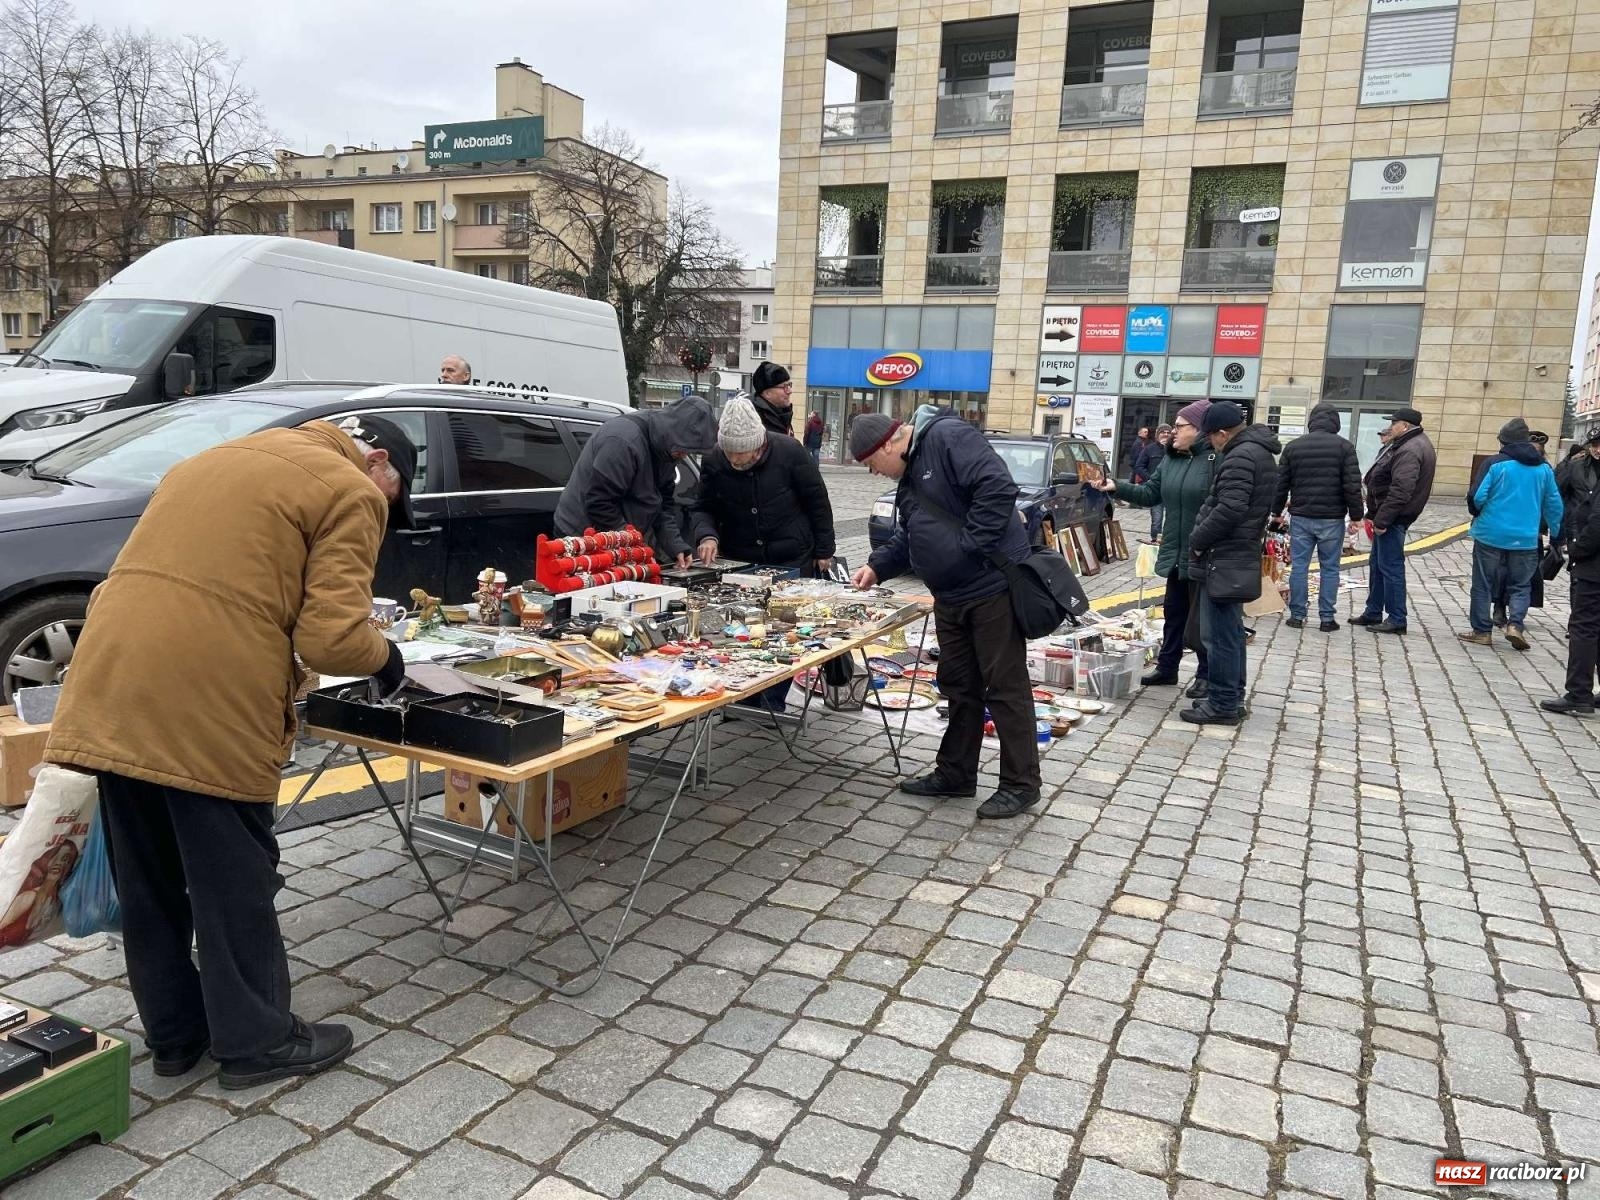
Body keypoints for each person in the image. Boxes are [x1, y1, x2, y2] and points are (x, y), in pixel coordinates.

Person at [44, 415, 417, 1089]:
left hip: (110, 679)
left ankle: (175, 1037)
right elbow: (332, 639)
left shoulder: (213, 459)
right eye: (396, 496)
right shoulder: (350, 488)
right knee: (232, 880)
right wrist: (387, 659)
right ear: (380, 462)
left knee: (149, 877)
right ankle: (256, 1041)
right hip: (207, 696)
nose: (387, 510)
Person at [850, 406, 1041, 819]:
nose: (874, 473)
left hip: (991, 587)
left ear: (888, 445)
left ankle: (1021, 784)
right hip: (951, 596)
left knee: (1004, 687)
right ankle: (956, 773)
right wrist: (878, 565)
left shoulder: (947, 437)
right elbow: (913, 531)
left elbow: (998, 489)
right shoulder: (909, 475)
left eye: (871, 464)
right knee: (958, 685)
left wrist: (968, 548)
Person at [691, 397, 836, 711]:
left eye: (742, 457)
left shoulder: (790, 452)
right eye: (730, 455)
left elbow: (818, 503)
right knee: (741, 628)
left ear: (758, 445)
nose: (735, 462)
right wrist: (707, 535)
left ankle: (772, 702)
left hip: (791, 555)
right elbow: (703, 507)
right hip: (741, 558)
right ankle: (744, 695)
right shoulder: (715, 460)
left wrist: (824, 550)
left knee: (783, 630)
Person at [1094, 401, 1216, 698]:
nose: (1173, 431)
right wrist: (1116, 486)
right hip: (1175, 551)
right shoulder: (1171, 459)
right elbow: (1149, 494)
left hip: (1203, 553)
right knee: (1174, 613)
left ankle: (1206, 674)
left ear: (1199, 430)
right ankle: (1168, 666)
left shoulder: (1216, 460)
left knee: (1201, 620)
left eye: (1180, 426)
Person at [1183, 402, 1281, 726]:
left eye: (1211, 437)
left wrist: (1198, 539)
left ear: (1222, 433)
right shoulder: (1259, 452)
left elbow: (1230, 508)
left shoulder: (1240, 455)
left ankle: (1223, 702)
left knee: (1220, 634)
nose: (1211, 444)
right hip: (1238, 551)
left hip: (1225, 553)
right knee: (1232, 631)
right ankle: (1232, 698)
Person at [554, 394, 717, 570]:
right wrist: (632, 543)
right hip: (581, 535)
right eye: (683, 449)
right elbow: (599, 504)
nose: (684, 455)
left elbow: (663, 506)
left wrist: (675, 546)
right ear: (672, 433)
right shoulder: (622, 442)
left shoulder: (666, 449)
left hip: (620, 534)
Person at [1459, 418, 1563, 650]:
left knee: (1483, 584)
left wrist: (1476, 512)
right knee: (1521, 585)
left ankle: (1482, 631)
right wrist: (1557, 535)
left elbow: (1477, 497)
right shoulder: (1544, 468)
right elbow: (1554, 505)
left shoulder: (1495, 464)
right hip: (1525, 537)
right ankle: (1515, 624)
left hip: (1490, 534)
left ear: (1503, 440)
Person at [1272, 403, 1363, 632]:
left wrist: (1276, 513)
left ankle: (1297, 615)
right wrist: (1356, 516)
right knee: (1330, 568)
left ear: (1312, 421)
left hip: (1301, 516)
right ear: (1336, 423)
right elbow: (1352, 485)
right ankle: (1326, 618)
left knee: (1300, 566)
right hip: (1332, 518)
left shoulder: (1293, 447)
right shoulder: (1345, 447)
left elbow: (1281, 485)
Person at [1351, 407, 1436, 636]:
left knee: (1390, 568)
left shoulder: (1410, 448)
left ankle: (1397, 618)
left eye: (1394, 423)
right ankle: (1373, 610)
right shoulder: (1407, 444)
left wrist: (1383, 519)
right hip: (1386, 515)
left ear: (1405, 426)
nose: (1390, 427)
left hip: (1393, 518)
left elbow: (1401, 489)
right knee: (1378, 565)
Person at [1544, 422, 1600, 715]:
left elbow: (1596, 523)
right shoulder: (1579, 467)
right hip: (1587, 554)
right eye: (1595, 445)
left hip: (1592, 563)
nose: (1598, 450)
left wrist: (1575, 550)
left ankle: (1578, 693)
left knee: (1584, 627)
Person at [1134, 426, 1171, 542]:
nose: (1165, 434)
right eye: (1162, 432)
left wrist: (1167, 448)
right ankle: (1155, 541)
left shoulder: (1176, 449)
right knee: (1157, 519)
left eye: (1168, 432)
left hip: (1172, 489)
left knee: (1172, 519)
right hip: (1156, 490)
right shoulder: (1149, 449)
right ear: (1157, 435)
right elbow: (1139, 466)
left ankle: (1168, 542)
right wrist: (1150, 479)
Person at [751, 361, 795, 436]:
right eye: (784, 387)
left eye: (789, 385)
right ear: (767, 393)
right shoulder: (754, 423)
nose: (790, 391)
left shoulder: (782, 415)